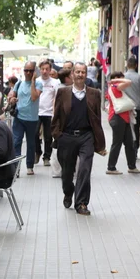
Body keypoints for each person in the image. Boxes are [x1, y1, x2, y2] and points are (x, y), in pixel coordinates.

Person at [51, 62, 107, 216]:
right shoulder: (63, 92)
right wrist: (58, 135)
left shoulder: (94, 93)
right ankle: (68, 192)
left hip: (86, 136)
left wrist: (98, 141)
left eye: (83, 72)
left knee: (84, 169)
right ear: (72, 74)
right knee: (67, 173)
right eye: (77, 72)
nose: (80, 75)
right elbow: (55, 117)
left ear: (86, 74)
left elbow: (97, 118)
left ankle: (81, 202)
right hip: (67, 136)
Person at [7, 60, 43, 175]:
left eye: (30, 71)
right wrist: (11, 100)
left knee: (31, 143)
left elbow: (34, 97)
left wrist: (32, 81)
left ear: (35, 71)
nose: (28, 73)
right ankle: (16, 168)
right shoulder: (18, 84)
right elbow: (12, 97)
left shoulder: (38, 84)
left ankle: (29, 166)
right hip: (19, 117)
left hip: (32, 119)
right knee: (16, 142)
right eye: (26, 70)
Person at [106, 72, 140, 175]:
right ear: (116, 78)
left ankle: (132, 166)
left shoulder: (114, 88)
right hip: (118, 118)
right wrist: (116, 80)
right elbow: (129, 82)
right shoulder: (115, 86)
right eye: (121, 77)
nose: (123, 78)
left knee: (129, 143)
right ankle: (111, 167)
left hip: (123, 118)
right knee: (117, 143)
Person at [123, 56, 140, 159]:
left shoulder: (123, 77)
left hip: (126, 107)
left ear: (127, 65)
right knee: (136, 128)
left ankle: (129, 149)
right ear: (136, 65)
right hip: (138, 107)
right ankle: (135, 150)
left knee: (127, 129)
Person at [35, 60, 60, 167]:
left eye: (47, 69)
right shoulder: (36, 81)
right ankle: (38, 152)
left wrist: (55, 113)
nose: (44, 71)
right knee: (35, 134)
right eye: (43, 69)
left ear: (50, 70)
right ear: (40, 70)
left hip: (49, 113)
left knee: (48, 136)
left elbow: (57, 98)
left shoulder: (55, 82)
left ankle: (47, 157)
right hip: (36, 112)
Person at [50, 68, 74, 178]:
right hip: (62, 124)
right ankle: (59, 170)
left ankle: (59, 170)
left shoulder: (65, 88)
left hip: (61, 123)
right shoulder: (63, 90)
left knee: (59, 147)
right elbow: (56, 108)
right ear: (67, 78)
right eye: (72, 74)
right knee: (59, 147)